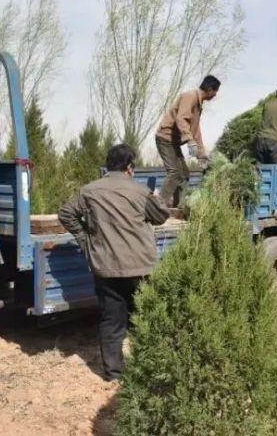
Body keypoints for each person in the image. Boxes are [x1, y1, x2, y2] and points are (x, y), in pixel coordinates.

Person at [58, 144, 170, 381]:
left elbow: (66, 213)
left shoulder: (89, 191)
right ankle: (148, 369)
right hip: (140, 266)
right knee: (145, 317)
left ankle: (114, 373)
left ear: (108, 166)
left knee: (112, 320)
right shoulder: (140, 191)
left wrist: (85, 239)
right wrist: (158, 199)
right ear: (130, 167)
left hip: (106, 268)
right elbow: (160, 217)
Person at [155, 75, 220, 207]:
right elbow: (181, 119)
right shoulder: (190, 96)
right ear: (208, 89)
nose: (215, 95)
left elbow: (196, 132)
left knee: (184, 174)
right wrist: (189, 139)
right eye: (215, 91)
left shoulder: (198, 104)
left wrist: (202, 156)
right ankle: (157, 206)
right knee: (174, 173)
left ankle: (179, 207)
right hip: (165, 138)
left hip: (173, 142)